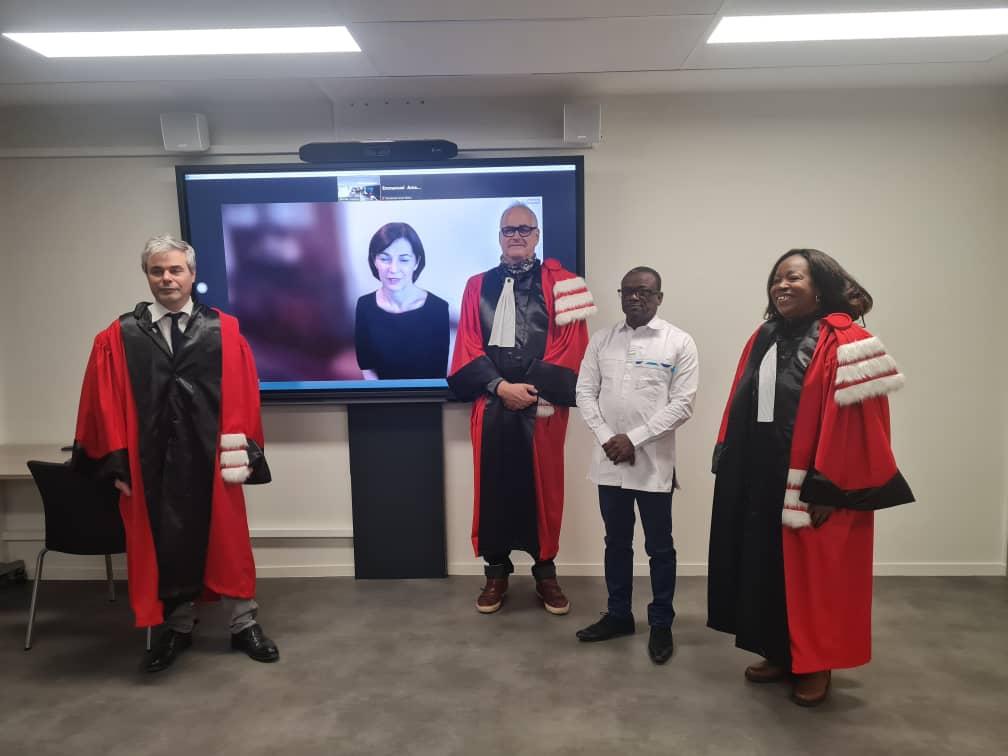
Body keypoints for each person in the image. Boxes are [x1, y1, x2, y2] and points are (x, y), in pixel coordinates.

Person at [707, 248, 914, 706]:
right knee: (767, 571)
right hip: (763, 477)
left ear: (820, 286)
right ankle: (780, 651)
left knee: (814, 579)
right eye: (776, 278)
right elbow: (741, 401)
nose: (781, 285)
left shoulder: (848, 340)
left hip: (813, 482)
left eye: (793, 277)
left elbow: (861, 422)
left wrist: (830, 486)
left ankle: (815, 662)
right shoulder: (764, 335)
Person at [72, 235, 279, 673]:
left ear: (192, 275)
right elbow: (102, 403)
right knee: (164, 544)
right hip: (153, 467)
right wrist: (116, 463)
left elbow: (244, 397)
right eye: (157, 271)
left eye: (175, 270)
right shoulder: (120, 335)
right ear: (147, 276)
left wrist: (237, 457)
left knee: (228, 542)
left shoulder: (224, 331)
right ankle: (178, 627)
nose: (167, 278)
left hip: (209, 460)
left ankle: (244, 624)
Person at [448, 203, 594, 615]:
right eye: (509, 229)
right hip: (491, 405)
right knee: (492, 488)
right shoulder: (477, 286)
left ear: (537, 235)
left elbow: (572, 348)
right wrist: (499, 386)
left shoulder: (563, 285)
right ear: (499, 235)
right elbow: (468, 345)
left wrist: (528, 386)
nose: (516, 236)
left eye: (524, 229)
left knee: (543, 490)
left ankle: (545, 573)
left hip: (542, 406)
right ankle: (496, 573)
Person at [574, 266, 698, 664]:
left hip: (653, 464)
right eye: (628, 291)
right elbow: (585, 392)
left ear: (659, 297)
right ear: (620, 294)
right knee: (616, 542)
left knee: (660, 547)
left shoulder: (678, 342)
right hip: (608, 462)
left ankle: (661, 623)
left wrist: (635, 439)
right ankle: (618, 615)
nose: (635, 297)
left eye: (644, 292)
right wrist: (609, 438)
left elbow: (683, 405)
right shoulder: (601, 340)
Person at [355, 222, 450, 379]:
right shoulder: (365, 305)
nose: (393, 269)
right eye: (385, 259)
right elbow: (367, 366)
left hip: (425, 399)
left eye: (404, 260)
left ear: (416, 262)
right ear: (374, 261)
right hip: (378, 398)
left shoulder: (438, 308)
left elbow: (438, 373)